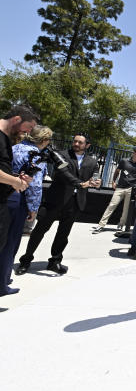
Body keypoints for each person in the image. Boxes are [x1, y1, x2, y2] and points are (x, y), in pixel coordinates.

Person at [17, 133, 99, 275]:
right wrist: (80, 184)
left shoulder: (92, 161)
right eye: (75, 141)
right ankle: (26, 260)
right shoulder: (61, 155)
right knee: (39, 231)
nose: (76, 144)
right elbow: (63, 174)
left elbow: (95, 176)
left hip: (74, 202)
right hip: (55, 200)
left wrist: (97, 183)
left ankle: (55, 261)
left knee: (63, 235)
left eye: (80, 142)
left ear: (87, 146)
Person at [0, 123, 46, 295]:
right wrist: (33, 208)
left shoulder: (14, 147)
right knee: (11, 241)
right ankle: (2, 282)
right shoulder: (36, 155)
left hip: (5, 194)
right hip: (19, 197)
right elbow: (35, 185)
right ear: (44, 140)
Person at [0, 106, 37, 260]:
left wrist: (16, 177)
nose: (28, 132)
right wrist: (15, 181)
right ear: (16, 119)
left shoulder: (5, 138)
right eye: (28, 127)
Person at [93, 148, 136, 233]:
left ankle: (121, 225)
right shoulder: (124, 161)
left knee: (126, 209)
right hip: (120, 187)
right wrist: (113, 181)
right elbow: (117, 171)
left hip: (131, 189)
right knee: (111, 205)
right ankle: (101, 225)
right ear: (134, 153)